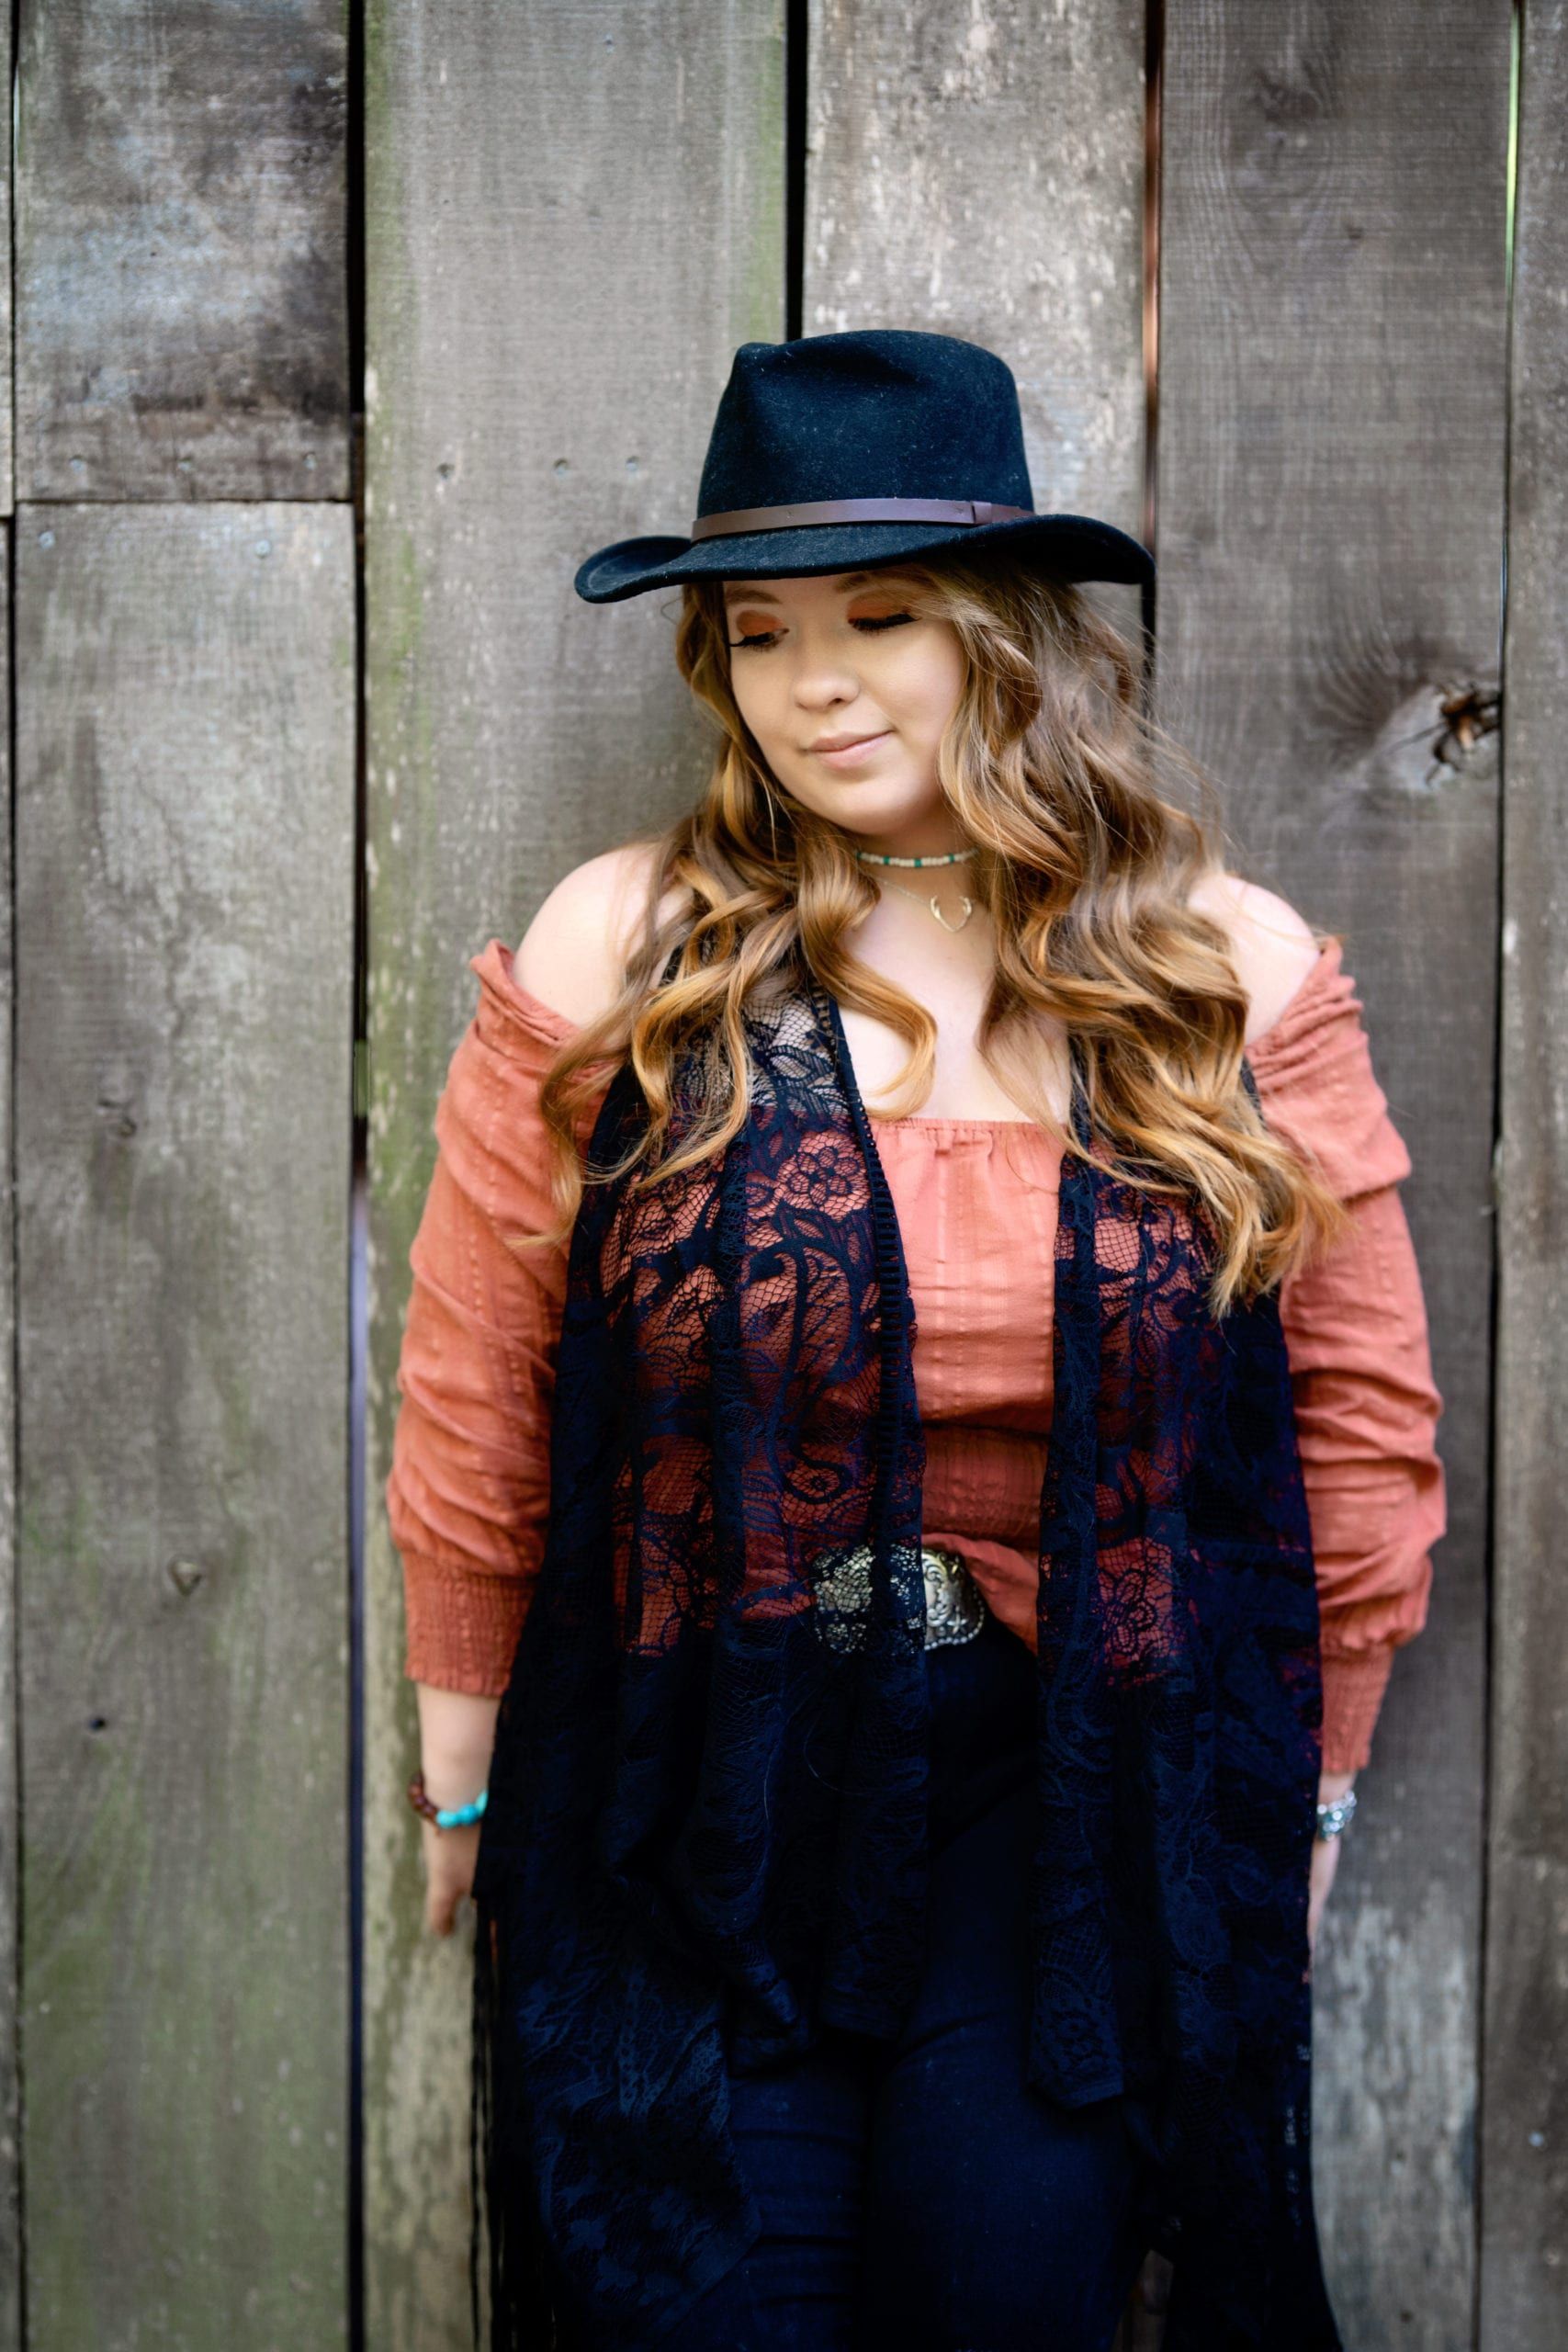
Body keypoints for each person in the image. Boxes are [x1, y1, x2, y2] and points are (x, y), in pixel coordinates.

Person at [387, 332, 1446, 2352]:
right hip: (699, 1768)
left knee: (999, 2291)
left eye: (879, 616)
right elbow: (478, 1366)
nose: (817, 681)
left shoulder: (1219, 970)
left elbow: (1358, 1417)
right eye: (761, 631)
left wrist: (1302, 1798)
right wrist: (462, 1766)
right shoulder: (630, 944)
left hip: (1072, 1797)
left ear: (1005, 632)